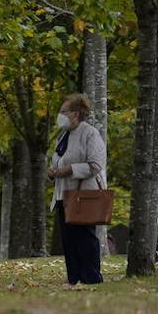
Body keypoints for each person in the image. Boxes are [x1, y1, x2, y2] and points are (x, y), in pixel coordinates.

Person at [48, 93, 106, 285]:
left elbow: (95, 164)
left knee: (85, 238)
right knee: (68, 239)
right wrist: (53, 171)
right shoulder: (63, 136)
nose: (60, 115)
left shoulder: (89, 133)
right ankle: (73, 276)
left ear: (75, 114)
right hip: (63, 194)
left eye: (63, 112)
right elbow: (59, 159)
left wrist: (69, 170)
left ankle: (91, 277)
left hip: (84, 195)